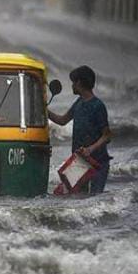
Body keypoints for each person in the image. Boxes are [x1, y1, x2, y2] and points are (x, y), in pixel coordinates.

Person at [48, 66, 112, 194]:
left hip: (98, 163)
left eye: (73, 82)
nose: (72, 86)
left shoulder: (98, 106)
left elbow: (107, 135)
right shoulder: (79, 102)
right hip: (80, 161)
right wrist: (44, 110)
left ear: (79, 83)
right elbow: (62, 120)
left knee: (95, 200)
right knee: (73, 198)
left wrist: (90, 149)